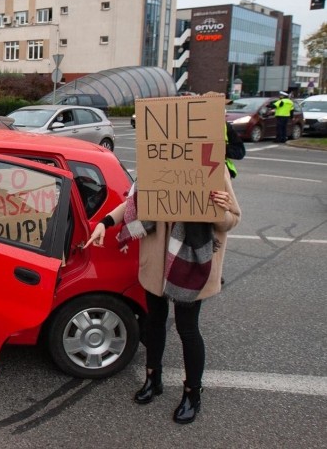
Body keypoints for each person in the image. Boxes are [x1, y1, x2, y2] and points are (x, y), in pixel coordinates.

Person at [85, 170, 240, 424]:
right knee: (154, 321)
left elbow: (233, 219)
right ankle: (152, 378)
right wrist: (105, 222)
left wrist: (219, 209)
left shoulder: (212, 167)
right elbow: (134, 203)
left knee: (187, 329)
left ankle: (192, 393)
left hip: (189, 267)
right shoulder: (156, 163)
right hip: (156, 264)